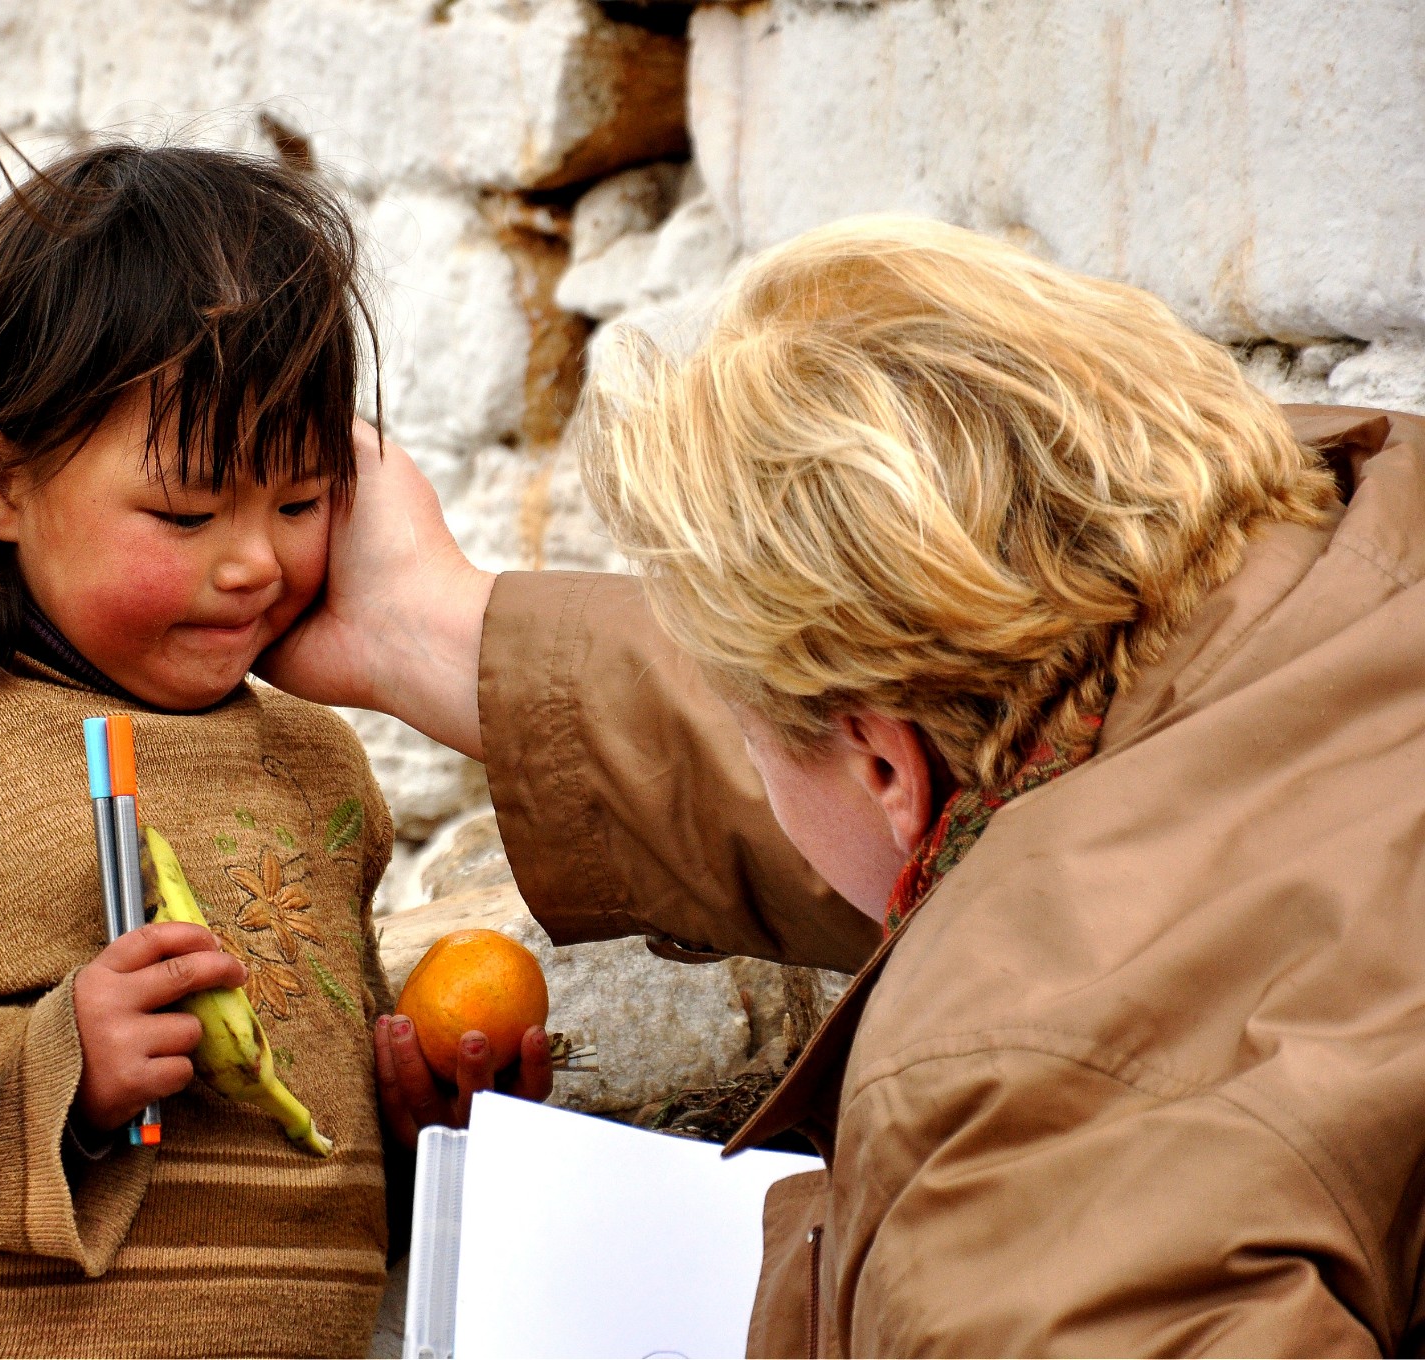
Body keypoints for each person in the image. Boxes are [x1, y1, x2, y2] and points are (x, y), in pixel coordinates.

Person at [266, 217, 1425, 1355]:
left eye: (748, 719)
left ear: (881, 762)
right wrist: (436, 635)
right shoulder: (1368, 530)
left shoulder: (1028, 1127)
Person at [0, 141, 547, 1359]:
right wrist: (46, 1076)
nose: (253, 563)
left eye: (297, 501)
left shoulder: (316, 766)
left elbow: (291, 1178)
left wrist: (418, 1134)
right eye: (185, 513)